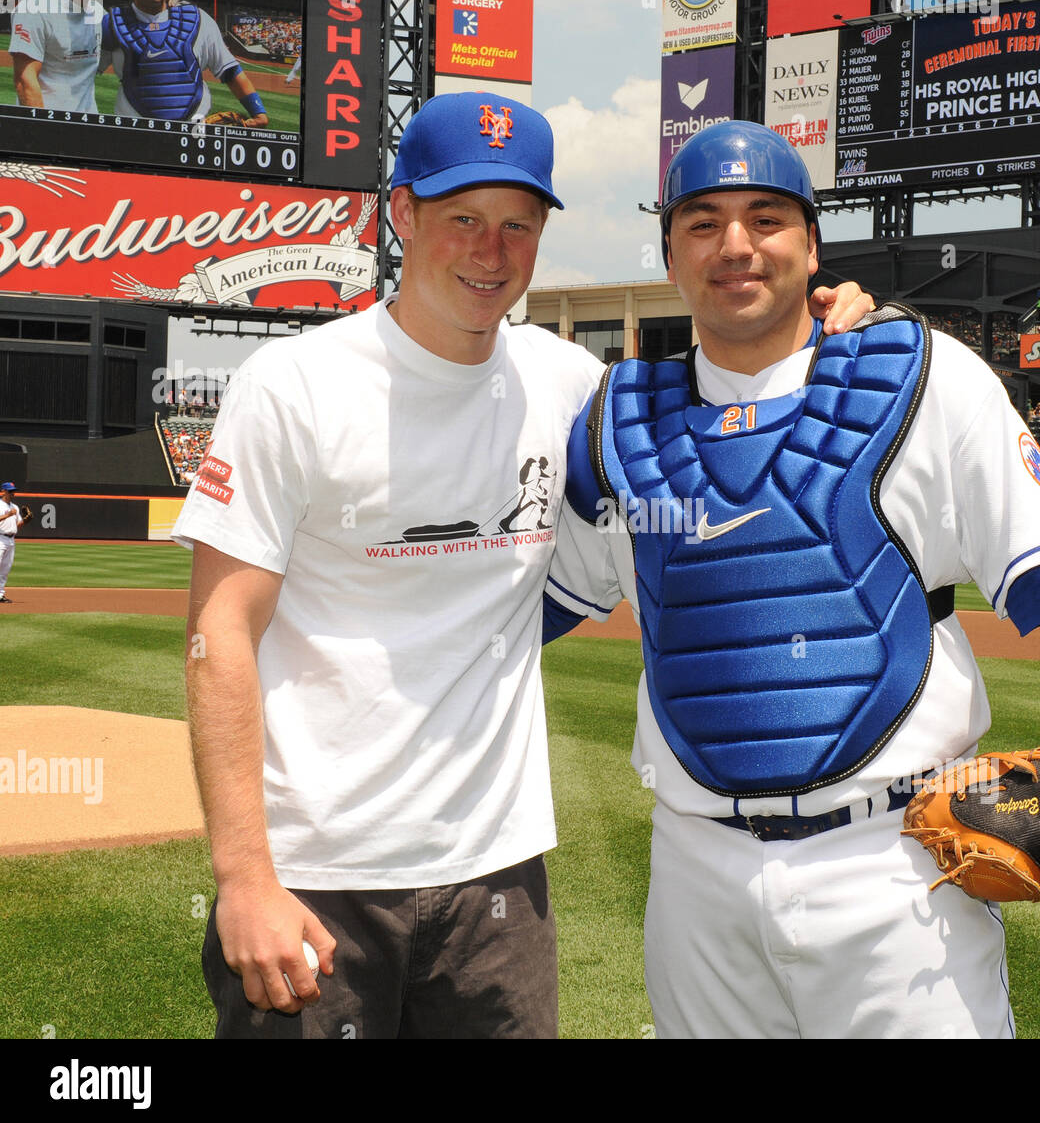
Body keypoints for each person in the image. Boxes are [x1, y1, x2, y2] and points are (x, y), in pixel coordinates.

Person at [171, 94, 871, 1039]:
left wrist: (835, 327)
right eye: (462, 219)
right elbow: (220, 634)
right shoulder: (294, 388)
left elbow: (728, 400)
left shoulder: (568, 386)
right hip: (318, 875)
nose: (489, 252)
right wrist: (245, 876)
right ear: (403, 214)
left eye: (517, 226)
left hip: (498, 877)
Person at [546, 120, 1040, 1039]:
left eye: (766, 218)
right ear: (670, 254)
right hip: (695, 875)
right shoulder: (618, 423)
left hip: (897, 865)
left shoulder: (925, 378)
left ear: (811, 244)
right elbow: (520, 609)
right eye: (703, 223)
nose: (735, 244)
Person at [99, 0, 268, 125]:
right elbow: (82, 71)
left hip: (194, 131)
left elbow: (229, 70)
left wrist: (258, 112)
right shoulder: (111, 24)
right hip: (135, 131)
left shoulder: (198, 19)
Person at [9, 0, 103, 114]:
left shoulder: (98, 11)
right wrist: (43, 126)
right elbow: (24, 80)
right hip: (49, 122)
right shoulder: (33, 10)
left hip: (88, 122)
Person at [0, 482, 30, 604]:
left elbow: (16, 525)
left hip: (11, 539)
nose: (13, 493)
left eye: (14, 490)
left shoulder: (15, 507)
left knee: (5, 569)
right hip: (0, 538)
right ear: (4, 491)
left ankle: (0, 595)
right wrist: (8, 514)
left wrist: (25, 521)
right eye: (10, 490)